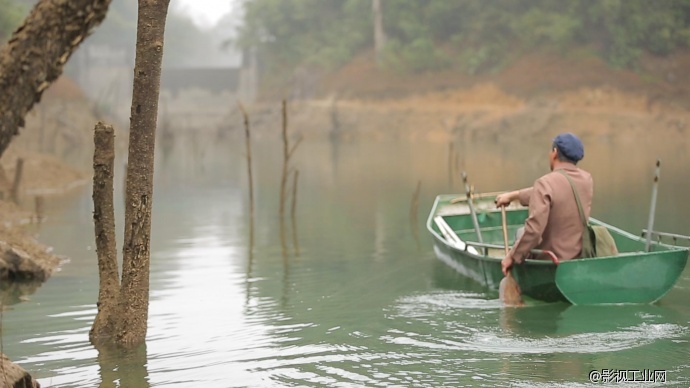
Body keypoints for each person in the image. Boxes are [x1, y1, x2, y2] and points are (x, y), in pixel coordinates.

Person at [495, 132, 593, 276]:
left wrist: (511, 257)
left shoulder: (545, 183)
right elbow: (552, 192)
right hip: (577, 258)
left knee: (521, 232)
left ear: (555, 153)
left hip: (551, 261)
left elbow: (534, 231)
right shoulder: (587, 180)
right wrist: (513, 196)